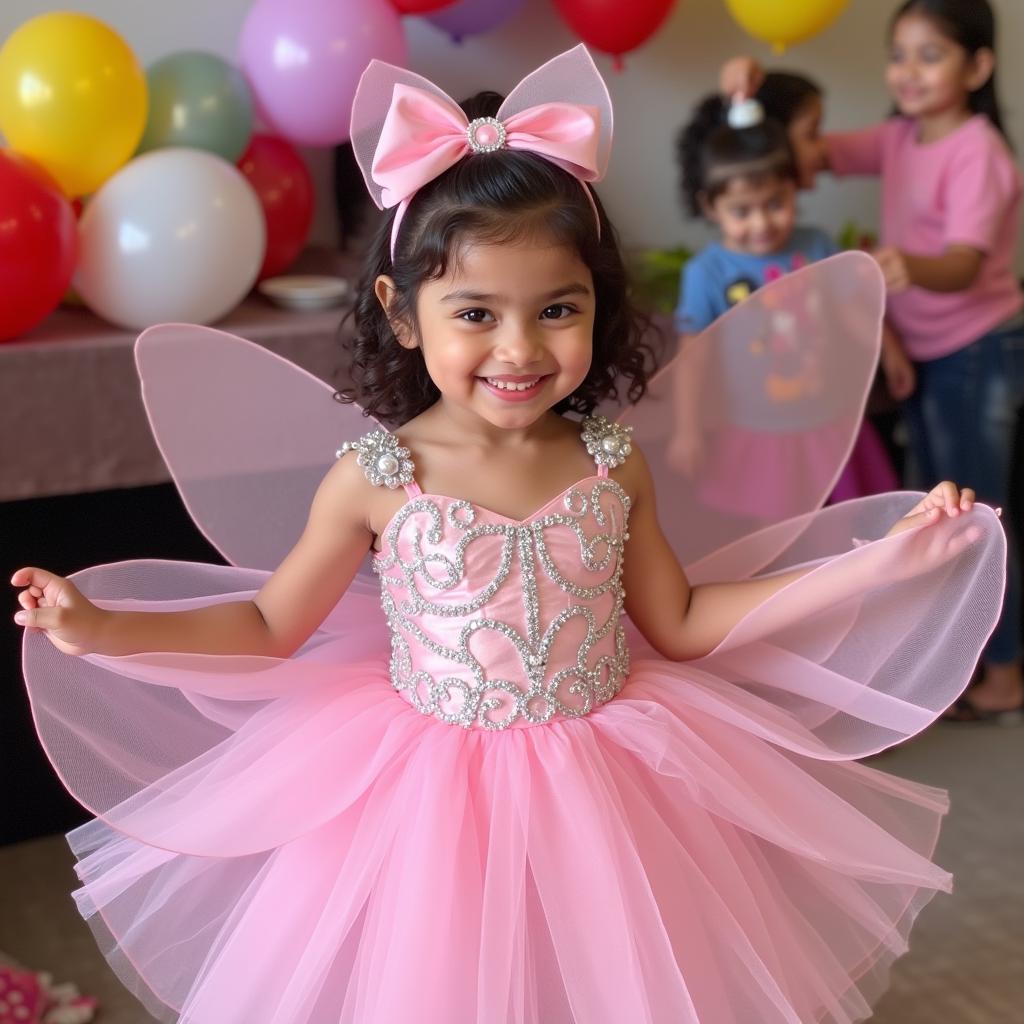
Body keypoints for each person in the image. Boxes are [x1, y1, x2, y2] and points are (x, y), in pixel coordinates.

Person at [10, 46, 1006, 1023]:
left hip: (613, 791)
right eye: (476, 312)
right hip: (426, 808)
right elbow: (271, 624)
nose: (520, 349)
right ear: (404, 313)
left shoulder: (611, 459)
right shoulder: (376, 475)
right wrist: (105, 628)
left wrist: (874, 563)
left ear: (597, 307)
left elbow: (687, 619)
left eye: (557, 309)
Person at [725, 0, 1024, 723]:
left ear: (978, 67)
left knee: (979, 513)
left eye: (931, 55)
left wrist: (904, 264)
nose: (909, 71)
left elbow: (961, 265)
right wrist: (751, 94)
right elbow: (815, 154)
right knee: (939, 502)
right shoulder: (899, 137)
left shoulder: (979, 151)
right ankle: (973, 657)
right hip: (924, 351)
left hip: (976, 350)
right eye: (900, 55)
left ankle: (1006, 673)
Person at [672, 92, 903, 510]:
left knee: (846, 521)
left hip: (829, 421)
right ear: (711, 206)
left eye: (775, 204)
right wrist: (686, 429)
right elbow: (693, 359)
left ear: (794, 188)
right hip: (759, 431)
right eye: (742, 211)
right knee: (778, 534)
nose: (761, 223)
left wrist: (890, 352)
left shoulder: (816, 246)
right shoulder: (706, 273)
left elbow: (854, 308)